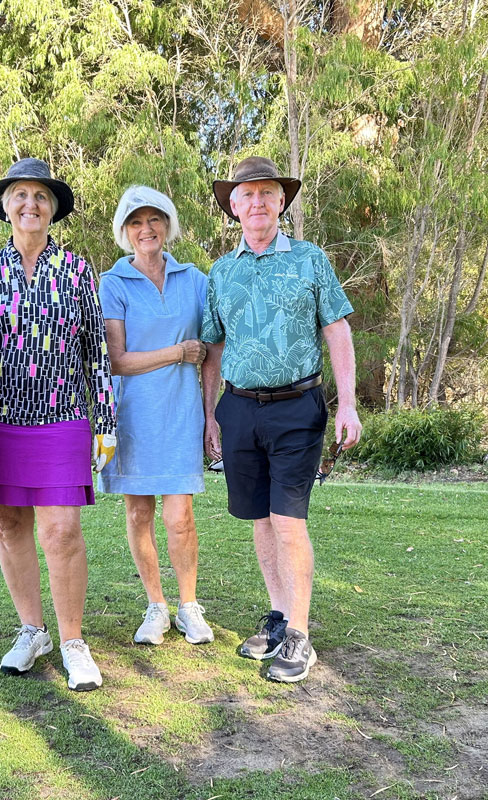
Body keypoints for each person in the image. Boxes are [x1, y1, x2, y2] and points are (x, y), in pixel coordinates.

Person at [200, 157, 362, 682]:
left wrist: (348, 403)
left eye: (267, 193)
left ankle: (299, 634)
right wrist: (210, 415)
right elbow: (213, 348)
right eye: (247, 194)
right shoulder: (221, 272)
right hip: (239, 408)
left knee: (289, 520)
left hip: (297, 407)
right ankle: (278, 616)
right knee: (261, 519)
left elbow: (337, 330)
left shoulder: (310, 260)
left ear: (281, 201)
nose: (257, 202)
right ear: (233, 206)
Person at [0, 158, 116, 691]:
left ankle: (72, 641)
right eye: (21, 195)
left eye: (41, 196)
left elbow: (96, 351)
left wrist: (106, 421)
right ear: (6, 207)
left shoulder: (76, 271)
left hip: (62, 415)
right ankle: (33, 630)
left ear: (52, 210)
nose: (31, 204)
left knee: (62, 530)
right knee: (7, 524)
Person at [97, 186, 214, 646]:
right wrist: (178, 352)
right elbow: (117, 360)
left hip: (182, 410)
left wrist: (212, 412)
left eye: (154, 219)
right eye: (136, 222)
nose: (146, 229)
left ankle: (189, 606)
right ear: (125, 231)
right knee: (138, 512)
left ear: (167, 225)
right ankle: (156, 606)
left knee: (180, 516)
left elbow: (213, 349)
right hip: (131, 415)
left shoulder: (194, 280)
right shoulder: (113, 283)